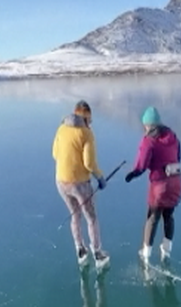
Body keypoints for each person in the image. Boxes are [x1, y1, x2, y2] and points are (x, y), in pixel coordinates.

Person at [52, 100, 109, 268]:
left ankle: (80, 249)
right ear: (86, 117)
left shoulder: (61, 128)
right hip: (80, 184)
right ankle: (98, 254)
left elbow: (55, 153)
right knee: (91, 218)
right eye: (90, 119)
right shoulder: (86, 133)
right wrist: (100, 177)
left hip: (61, 182)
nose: (91, 122)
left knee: (75, 214)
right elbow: (89, 163)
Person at [125, 106, 181, 262]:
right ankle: (166, 250)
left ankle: (146, 254)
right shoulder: (173, 136)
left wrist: (132, 174)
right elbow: (178, 156)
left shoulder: (149, 141)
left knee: (153, 217)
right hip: (176, 183)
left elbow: (141, 165)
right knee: (169, 216)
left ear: (148, 125)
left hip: (159, 186)